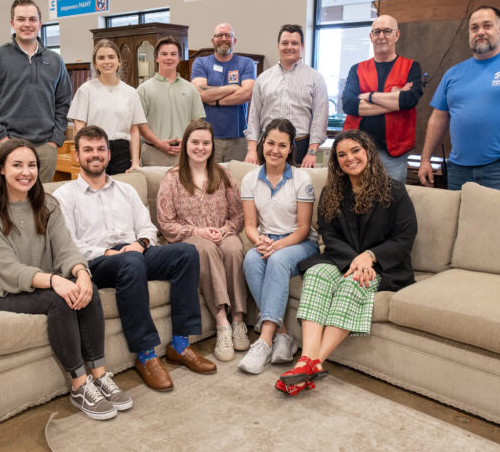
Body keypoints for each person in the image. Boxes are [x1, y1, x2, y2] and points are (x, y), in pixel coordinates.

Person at [0, 139, 132, 420]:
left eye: (32, 165)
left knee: (89, 288)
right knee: (61, 299)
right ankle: (79, 385)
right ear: (1, 170)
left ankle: (100, 375)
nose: (26, 172)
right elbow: (8, 270)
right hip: (1, 294)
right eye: (17, 165)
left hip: (43, 284)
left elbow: (66, 248)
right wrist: (56, 281)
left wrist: (81, 273)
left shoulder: (48, 204)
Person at [53, 125, 216, 392]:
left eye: (100, 149)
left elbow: (148, 228)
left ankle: (180, 344)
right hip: (97, 261)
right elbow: (68, 244)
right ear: (77, 156)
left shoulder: (125, 190)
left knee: (186, 252)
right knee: (130, 262)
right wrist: (109, 253)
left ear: (108, 153)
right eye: (88, 150)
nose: (95, 155)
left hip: (134, 253)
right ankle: (146, 355)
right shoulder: (64, 196)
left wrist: (140, 244)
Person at [275, 129, 417, 395]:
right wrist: (356, 259)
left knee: (353, 284)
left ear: (368, 153)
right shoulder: (332, 191)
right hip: (342, 259)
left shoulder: (394, 191)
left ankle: (313, 363)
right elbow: (328, 234)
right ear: (336, 160)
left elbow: (404, 238)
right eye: (342, 154)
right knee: (316, 274)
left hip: (383, 266)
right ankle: (307, 359)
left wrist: (370, 257)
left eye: (355, 151)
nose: (349, 158)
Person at [418, 6, 500, 193]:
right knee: (459, 223)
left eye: (487, 26)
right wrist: (425, 159)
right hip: (458, 171)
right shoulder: (452, 74)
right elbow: (437, 119)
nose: (480, 32)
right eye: (474, 28)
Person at [156, 119, 249, 362]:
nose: (200, 147)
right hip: (188, 240)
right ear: (186, 144)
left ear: (212, 146)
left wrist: (224, 229)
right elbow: (166, 223)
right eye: (195, 142)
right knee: (206, 248)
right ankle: (222, 325)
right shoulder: (172, 179)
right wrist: (198, 232)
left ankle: (238, 320)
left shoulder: (224, 175)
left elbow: (238, 215)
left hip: (222, 233)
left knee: (233, 247)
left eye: (205, 143)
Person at [238, 118, 318, 375]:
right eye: (270, 143)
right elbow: (250, 225)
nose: (275, 150)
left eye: (282, 145)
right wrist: (258, 240)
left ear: (290, 148)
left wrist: (277, 246)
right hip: (268, 239)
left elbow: (304, 228)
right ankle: (284, 335)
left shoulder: (301, 179)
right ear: (262, 144)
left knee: (277, 260)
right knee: (250, 259)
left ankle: (264, 341)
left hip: (299, 242)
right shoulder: (250, 179)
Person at [0, 0, 71, 184]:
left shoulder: (55, 61)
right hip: (7, 145)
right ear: (12, 23)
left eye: (32, 19)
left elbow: (64, 102)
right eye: (21, 19)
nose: (27, 24)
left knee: (41, 205)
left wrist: (55, 140)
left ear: (40, 24)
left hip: (44, 147)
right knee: (4, 205)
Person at [341, 14, 423, 183]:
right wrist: (395, 101)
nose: (381, 36)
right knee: (356, 199)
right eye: (376, 32)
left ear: (397, 35)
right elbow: (349, 105)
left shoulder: (411, 67)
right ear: (371, 36)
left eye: (387, 31)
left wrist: (369, 96)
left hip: (394, 153)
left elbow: (409, 101)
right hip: (357, 150)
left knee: (391, 202)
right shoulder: (357, 69)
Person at [246, 24, 328, 168]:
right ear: (278, 46)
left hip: (300, 147)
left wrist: (312, 152)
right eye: (285, 43)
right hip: (268, 146)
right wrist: (252, 150)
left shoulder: (315, 78)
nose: (289, 47)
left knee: (297, 189)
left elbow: (320, 118)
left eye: (294, 43)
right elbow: (253, 116)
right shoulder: (263, 78)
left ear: (301, 46)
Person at [68, 39, 145, 174]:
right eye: (101, 58)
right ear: (95, 63)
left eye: (111, 57)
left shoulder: (131, 92)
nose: (107, 61)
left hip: (122, 152)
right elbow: (79, 128)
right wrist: (83, 156)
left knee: (120, 193)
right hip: (95, 149)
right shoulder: (85, 90)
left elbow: (134, 130)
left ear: (119, 61)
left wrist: (136, 162)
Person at [191, 23, 256, 162]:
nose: (224, 38)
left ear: (234, 40)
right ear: (213, 40)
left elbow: (247, 93)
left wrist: (216, 101)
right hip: (208, 137)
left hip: (238, 138)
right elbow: (200, 93)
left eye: (228, 35)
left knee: (237, 180)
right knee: (208, 180)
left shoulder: (246, 63)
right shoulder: (200, 63)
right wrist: (232, 87)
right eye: (219, 35)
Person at [137, 37, 205, 167]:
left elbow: (197, 122)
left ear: (179, 58)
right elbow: (140, 124)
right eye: (164, 54)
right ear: (156, 58)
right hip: (153, 153)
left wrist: (187, 142)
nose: (169, 58)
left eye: (173, 54)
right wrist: (158, 143)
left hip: (184, 153)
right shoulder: (143, 89)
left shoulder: (190, 88)